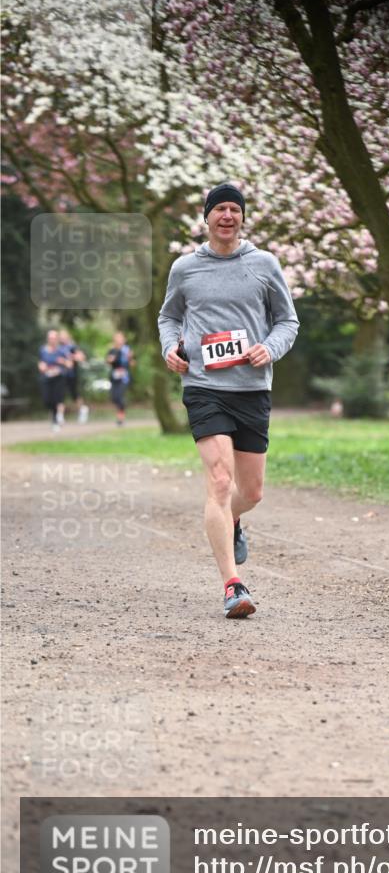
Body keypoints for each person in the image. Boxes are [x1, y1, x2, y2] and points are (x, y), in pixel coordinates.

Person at [157, 182, 299, 619]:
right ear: (206, 217)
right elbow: (169, 315)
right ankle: (232, 585)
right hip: (203, 386)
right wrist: (169, 348)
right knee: (219, 482)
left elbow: (287, 320)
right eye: (219, 209)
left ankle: (234, 519)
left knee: (250, 492)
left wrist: (269, 348)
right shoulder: (185, 268)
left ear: (242, 218)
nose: (227, 216)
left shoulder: (263, 264)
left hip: (252, 388)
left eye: (234, 209)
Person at [38, 329, 71, 431]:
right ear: (47, 339)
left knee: (58, 399)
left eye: (54, 338)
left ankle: (56, 420)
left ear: (57, 339)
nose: (52, 340)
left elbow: (70, 364)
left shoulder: (62, 350)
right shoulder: (43, 350)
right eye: (50, 338)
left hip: (59, 378)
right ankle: (56, 417)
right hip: (47, 378)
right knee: (48, 400)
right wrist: (41, 366)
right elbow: (41, 362)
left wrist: (63, 362)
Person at [59, 328, 89, 423]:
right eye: (61, 336)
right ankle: (59, 416)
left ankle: (83, 410)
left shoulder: (72, 347)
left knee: (75, 395)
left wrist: (71, 357)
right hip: (60, 375)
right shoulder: (58, 347)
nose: (62, 338)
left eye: (64, 336)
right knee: (60, 395)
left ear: (68, 337)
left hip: (72, 375)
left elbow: (82, 357)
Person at [106, 331, 134, 426]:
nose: (119, 340)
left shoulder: (127, 349)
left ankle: (120, 418)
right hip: (114, 376)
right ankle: (120, 414)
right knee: (114, 397)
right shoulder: (112, 350)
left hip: (124, 376)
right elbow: (108, 360)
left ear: (124, 339)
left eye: (120, 338)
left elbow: (131, 362)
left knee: (120, 396)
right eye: (117, 338)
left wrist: (130, 360)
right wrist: (110, 360)